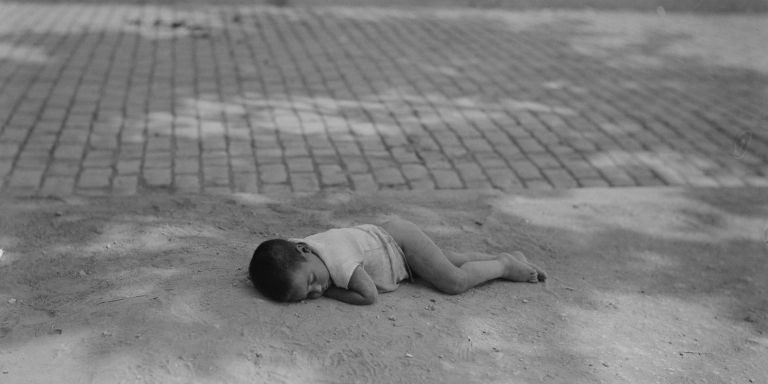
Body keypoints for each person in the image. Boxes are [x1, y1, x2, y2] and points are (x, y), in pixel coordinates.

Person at [249, 217, 546, 305]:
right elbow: (277, 252)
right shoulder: (302, 248)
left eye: (312, 282)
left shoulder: (338, 264)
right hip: (393, 240)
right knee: (453, 260)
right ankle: (506, 259)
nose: (316, 290)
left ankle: (505, 266)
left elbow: (369, 296)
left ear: (305, 251)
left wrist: (330, 291)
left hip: (400, 243)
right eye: (309, 294)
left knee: (453, 281)